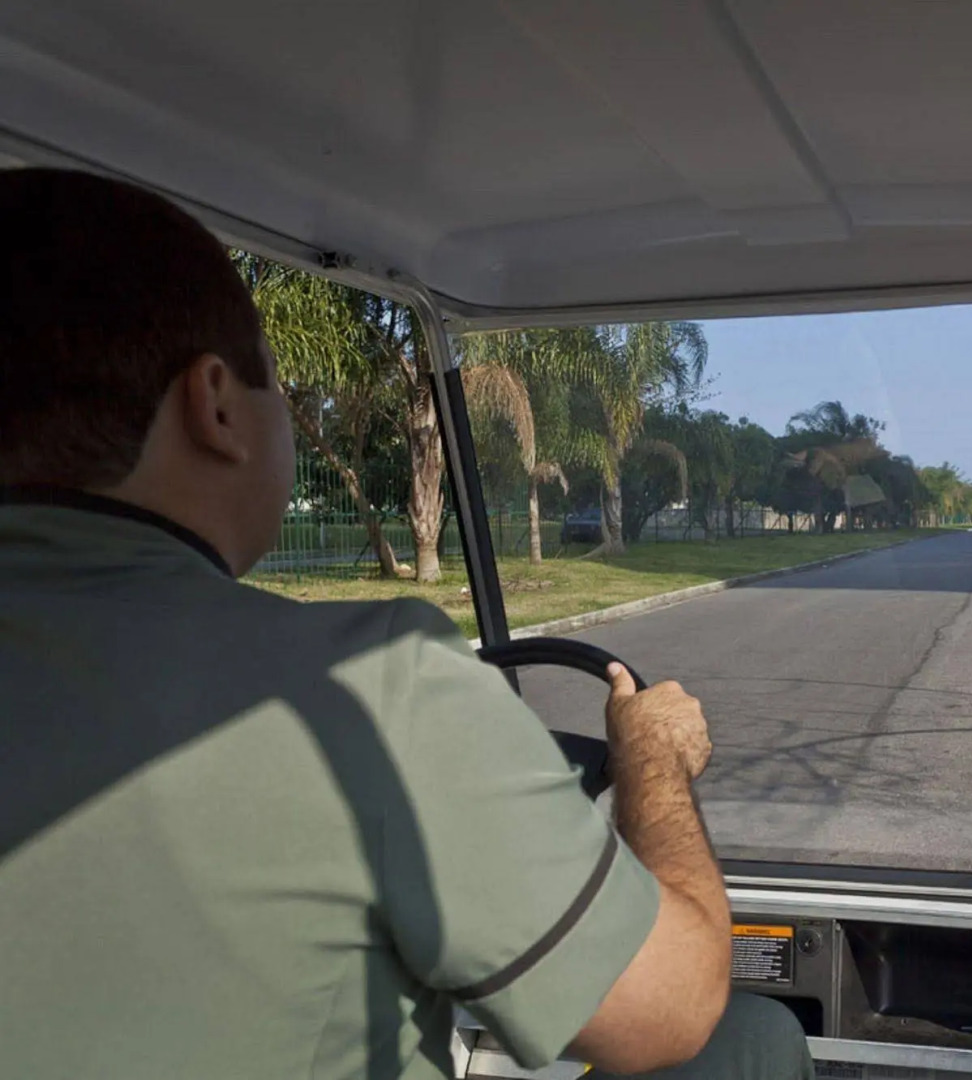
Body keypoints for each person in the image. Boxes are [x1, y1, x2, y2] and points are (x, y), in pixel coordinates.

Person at [0, 168, 813, 1080]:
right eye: (280, 392)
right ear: (216, 404)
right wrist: (652, 765)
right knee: (750, 1038)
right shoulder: (366, 686)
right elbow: (673, 1007)